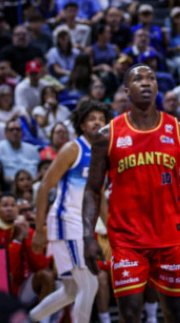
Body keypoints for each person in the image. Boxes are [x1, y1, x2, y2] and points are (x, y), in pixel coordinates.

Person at [82, 65, 180, 323]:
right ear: (126, 91)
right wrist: (87, 236)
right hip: (127, 241)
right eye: (138, 79)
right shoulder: (106, 135)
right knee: (130, 314)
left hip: (170, 239)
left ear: (157, 87)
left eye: (151, 78)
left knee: (176, 315)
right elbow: (93, 190)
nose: (145, 82)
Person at [29, 101, 112, 323]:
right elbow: (44, 187)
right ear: (82, 125)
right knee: (90, 284)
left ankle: (29, 319)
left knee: (71, 291)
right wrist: (39, 230)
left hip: (81, 225)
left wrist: (111, 229)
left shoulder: (104, 153)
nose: (97, 123)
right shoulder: (73, 149)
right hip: (65, 220)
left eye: (101, 119)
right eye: (92, 119)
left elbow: (100, 196)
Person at [0, 193, 54, 299]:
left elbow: (40, 265)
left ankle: (43, 311)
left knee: (49, 277)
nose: (10, 209)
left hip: (25, 283)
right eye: (5, 206)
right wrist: (17, 241)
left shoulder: (26, 229)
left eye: (13, 205)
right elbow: (4, 270)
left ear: (17, 210)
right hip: (2, 288)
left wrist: (27, 238)